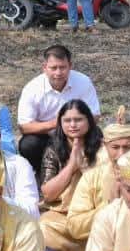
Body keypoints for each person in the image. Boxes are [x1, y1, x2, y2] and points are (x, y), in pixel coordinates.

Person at [64, 106, 130, 245]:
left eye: (128, 147)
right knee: (47, 226)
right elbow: (74, 225)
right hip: (100, 242)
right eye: (115, 147)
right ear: (105, 145)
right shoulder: (92, 177)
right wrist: (109, 207)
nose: (121, 155)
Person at [38, 100, 105, 251]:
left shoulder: (103, 148)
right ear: (60, 123)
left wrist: (85, 166)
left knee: (108, 222)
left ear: (89, 120)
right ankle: (90, 248)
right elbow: (48, 194)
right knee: (43, 227)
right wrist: (71, 166)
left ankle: (86, 248)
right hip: (64, 215)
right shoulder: (54, 150)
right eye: (67, 120)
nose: (73, 125)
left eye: (78, 119)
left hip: (94, 212)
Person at [16, 44, 101, 172]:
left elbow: (94, 115)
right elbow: (24, 126)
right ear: (45, 68)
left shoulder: (83, 82)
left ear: (70, 66)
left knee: (97, 135)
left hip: (77, 132)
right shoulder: (32, 88)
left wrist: (74, 127)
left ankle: (91, 171)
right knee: (28, 144)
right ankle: (42, 174)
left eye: (62, 67)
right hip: (46, 135)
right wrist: (55, 123)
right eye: (53, 68)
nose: (58, 73)